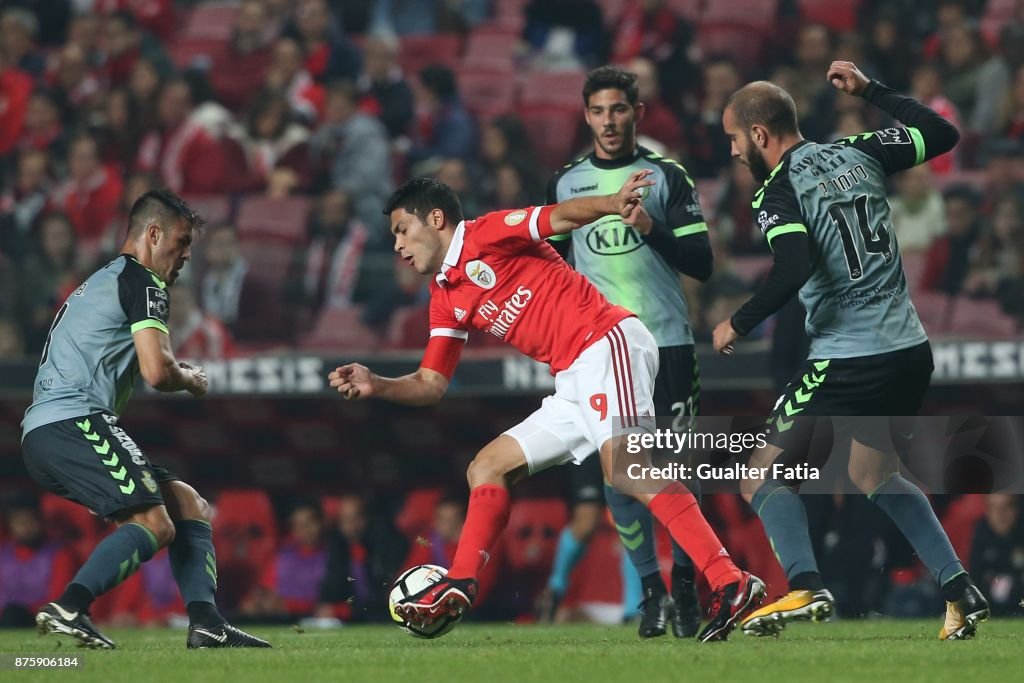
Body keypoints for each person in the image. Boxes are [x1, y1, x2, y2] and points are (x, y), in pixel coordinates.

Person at [329, 176, 764, 642]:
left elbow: (559, 216)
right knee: (488, 468)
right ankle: (459, 581)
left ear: (435, 219)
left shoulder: (486, 233)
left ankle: (730, 581)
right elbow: (431, 384)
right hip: (572, 377)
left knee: (629, 469)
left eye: (401, 229)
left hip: (605, 341)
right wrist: (378, 383)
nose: (396, 244)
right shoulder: (446, 296)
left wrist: (612, 203)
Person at [712, 61, 989, 640]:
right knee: (874, 471)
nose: (735, 152)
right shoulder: (857, 150)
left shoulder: (778, 189)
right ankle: (959, 588)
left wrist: (737, 321)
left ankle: (805, 586)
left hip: (849, 356)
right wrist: (872, 91)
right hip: (910, 350)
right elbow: (944, 135)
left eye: (735, 139)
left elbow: (793, 265)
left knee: (759, 477)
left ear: (759, 134)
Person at [20, 189, 270, 650]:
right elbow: (157, 371)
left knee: (188, 506)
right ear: (152, 234)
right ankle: (70, 607)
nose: (186, 256)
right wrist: (191, 379)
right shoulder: (144, 281)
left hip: (50, 428)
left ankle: (206, 622)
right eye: (180, 242)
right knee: (156, 524)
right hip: (73, 420)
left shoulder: (101, 280)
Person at [540, 65, 713, 639]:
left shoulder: (666, 176)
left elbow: (702, 264)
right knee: (622, 476)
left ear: (637, 114)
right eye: (598, 111)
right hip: (603, 350)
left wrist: (649, 230)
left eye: (619, 110)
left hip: (668, 342)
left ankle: (687, 588)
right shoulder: (566, 185)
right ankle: (652, 593)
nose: (609, 121)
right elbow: (554, 272)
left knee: (680, 471)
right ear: (585, 115)